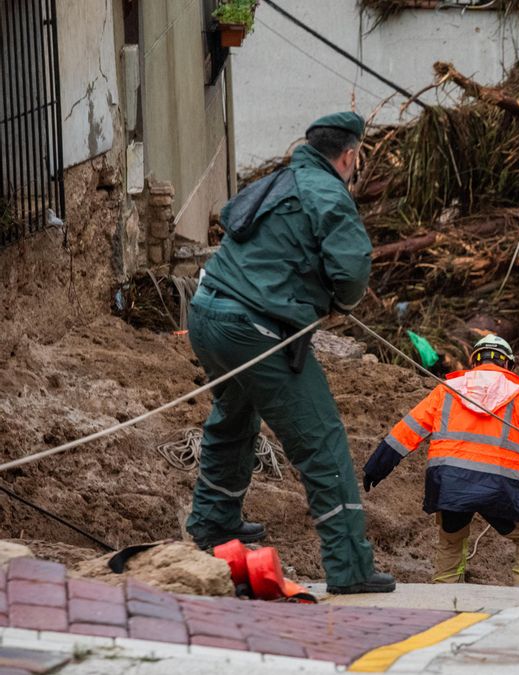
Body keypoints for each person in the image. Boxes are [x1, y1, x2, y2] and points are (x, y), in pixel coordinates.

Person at [186, 112, 393, 594]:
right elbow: (353, 266)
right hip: (254, 328)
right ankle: (350, 568)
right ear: (349, 156)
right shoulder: (329, 194)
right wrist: (340, 301)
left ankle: (215, 524)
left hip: (205, 313)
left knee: (234, 416)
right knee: (321, 441)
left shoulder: (277, 181)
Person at [361, 335, 519, 588]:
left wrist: (376, 467)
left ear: (475, 361)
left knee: (451, 540)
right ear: (507, 364)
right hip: (506, 489)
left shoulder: (446, 392)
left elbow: (406, 431)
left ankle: (445, 599)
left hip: (452, 484)